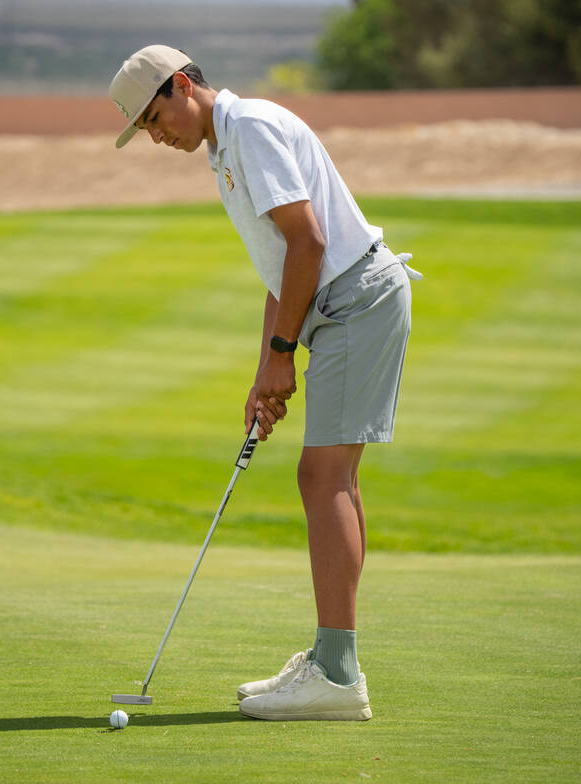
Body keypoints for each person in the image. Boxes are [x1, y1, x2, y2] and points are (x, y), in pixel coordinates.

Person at [109, 45, 419, 722]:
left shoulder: (249, 129)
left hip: (356, 300)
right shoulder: (225, 150)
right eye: (145, 130)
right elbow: (282, 270)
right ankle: (333, 659)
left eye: (155, 119)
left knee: (322, 477)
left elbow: (308, 242)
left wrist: (285, 354)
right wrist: (265, 371)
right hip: (341, 305)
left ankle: (338, 678)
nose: (157, 137)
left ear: (183, 86)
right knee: (333, 476)